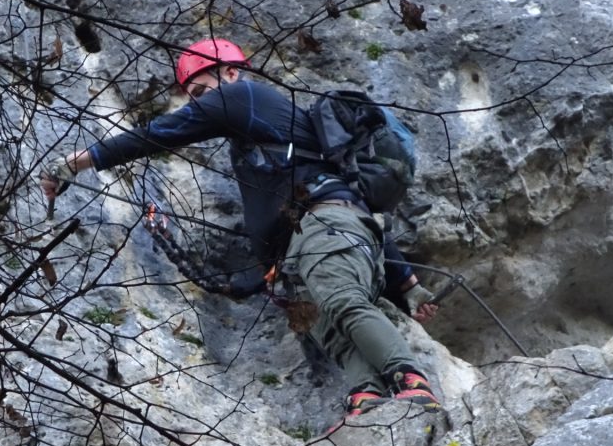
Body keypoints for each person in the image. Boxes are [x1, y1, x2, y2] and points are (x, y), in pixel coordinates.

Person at [40, 38, 443, 426]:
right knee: (325, 324)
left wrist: (78, 162)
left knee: (341, 300)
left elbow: (161, 133)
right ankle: (367, 396)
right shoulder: (260, 136)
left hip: (325, 227)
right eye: (193, 95)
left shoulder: (245, 96)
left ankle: (409, 378)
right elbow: (358, 208)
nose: (199, 101)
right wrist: (406, 282)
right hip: (303, 246)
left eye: (201, 89)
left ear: (230, 73)